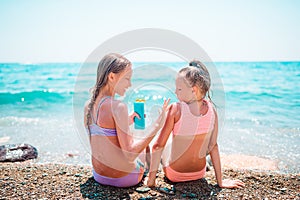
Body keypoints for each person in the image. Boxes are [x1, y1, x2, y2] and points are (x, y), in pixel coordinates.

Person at [146, 60, 245, 188]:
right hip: (199, 173)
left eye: (179, 89)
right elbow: (213, 146)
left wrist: (151, 181)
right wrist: (220, 182)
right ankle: (206, 164)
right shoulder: (212, 109)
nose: (176, 92)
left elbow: (157, 146)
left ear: (194, 90)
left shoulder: (175, 109)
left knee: (166, 143)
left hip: (175, 174)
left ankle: (149, 170)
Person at [84, 53, 169, 187]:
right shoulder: (118, 107)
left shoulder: (88, 106)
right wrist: (157, 125)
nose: (129, 84)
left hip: (99, 175)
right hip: (123, 178)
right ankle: (151, 174)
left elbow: (101, 138)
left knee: (134, 137)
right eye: (127, 79)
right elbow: (129, 155)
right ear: (112, 76)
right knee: (142, 143)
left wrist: (128, 120)